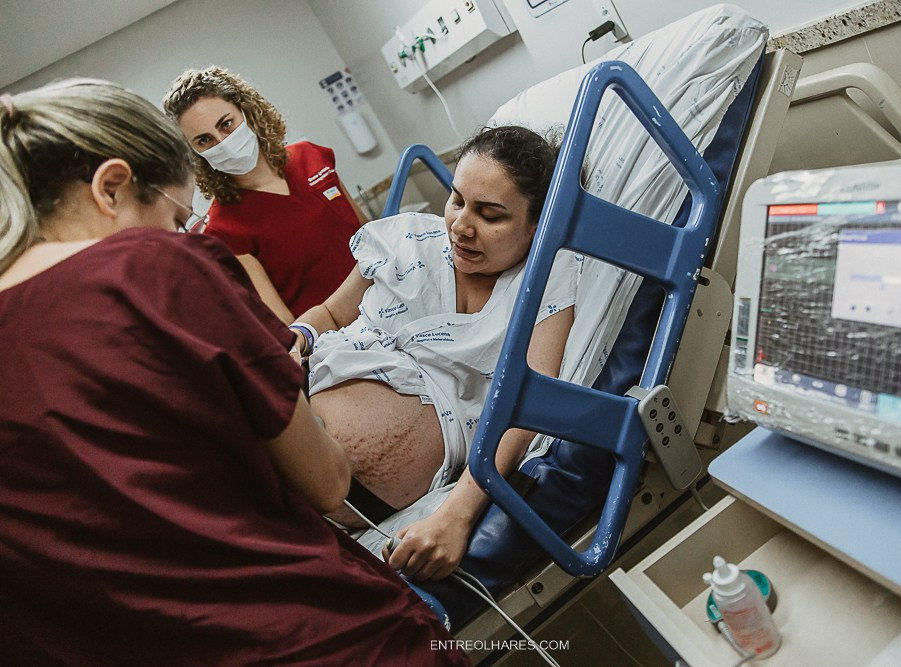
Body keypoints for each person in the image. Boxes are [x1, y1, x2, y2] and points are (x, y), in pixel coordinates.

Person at [0, 80, 467, 665]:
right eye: (175, 219)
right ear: (112, 188)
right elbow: (326, 483)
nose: (178, 235)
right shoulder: (159, 271)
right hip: (306, 634)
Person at [291, 125, 581, 581]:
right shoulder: (406, 238)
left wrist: (456, 516)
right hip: (292, 403)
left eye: (490, 214)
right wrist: (297, 336)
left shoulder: (544, 281)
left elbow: (528, 408)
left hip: (343, 494)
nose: (461, 226)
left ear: (537, 223)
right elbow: (329, 312)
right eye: (457, 200)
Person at [163, 66, 368, 322]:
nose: (222, 143)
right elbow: (288, 326)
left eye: (226, 124)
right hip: (346, 335)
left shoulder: (310, 155)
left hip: (394, 298)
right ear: (194, 153)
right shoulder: (223, 230)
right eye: (205, 140)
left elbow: (369, 233)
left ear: (247, 112)